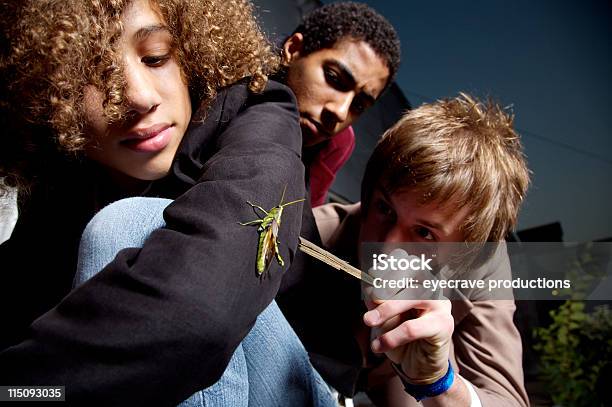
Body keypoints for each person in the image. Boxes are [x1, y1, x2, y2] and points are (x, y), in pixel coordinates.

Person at [0, 0, 334, 405]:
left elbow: (198, 314)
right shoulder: (60, 176)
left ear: (191, 52)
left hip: (297, 382)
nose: (138, 96)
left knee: (130, 225)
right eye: (90, 74)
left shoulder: (259, 112)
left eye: (156, 57)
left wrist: (23, 390)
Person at [311, 94, 531, 406]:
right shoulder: (315, 234)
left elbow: (505, 399)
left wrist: (439, 380)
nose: (387, 248)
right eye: (385, 209)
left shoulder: (483, 267)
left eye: (425, 233)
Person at [278, 2, 401, 206]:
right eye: (334, 78)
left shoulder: (338, 142)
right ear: (293, 49)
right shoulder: (231, 75)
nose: (341, 113)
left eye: (359, 105)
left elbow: (305, 211)